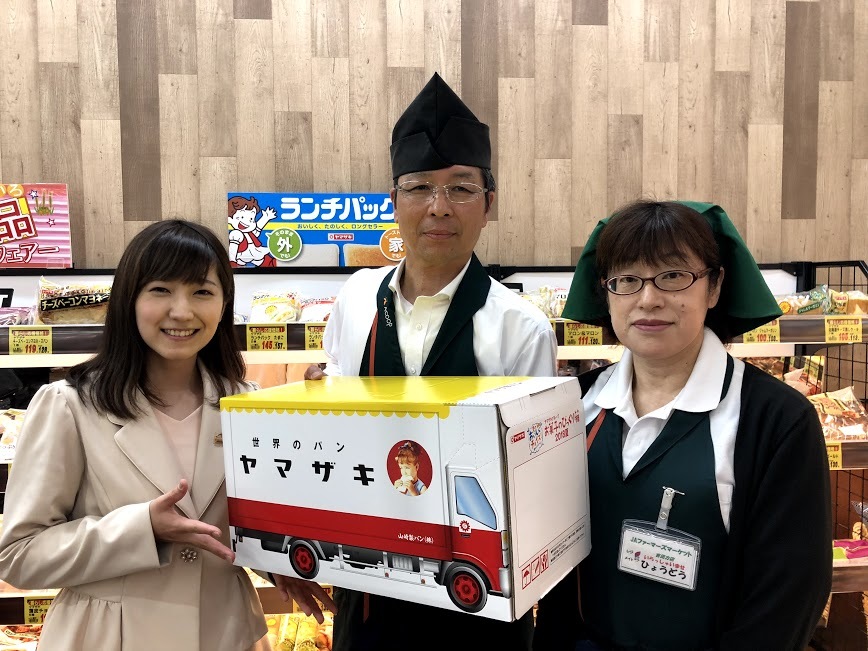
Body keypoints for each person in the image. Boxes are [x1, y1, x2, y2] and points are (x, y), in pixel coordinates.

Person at [273, 72, 558, 651]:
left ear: (490, 204)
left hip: (478, 602)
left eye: (461, 188)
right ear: (394, 201)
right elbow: (331, 430)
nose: (438, 207)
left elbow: (531, 478)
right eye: (419, 187)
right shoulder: (357, 298)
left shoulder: (519, 325)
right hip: (367, 588)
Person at [533, 200, 832, 650]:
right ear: (606, 292)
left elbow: (788, 595)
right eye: (627, 280)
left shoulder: (776, 420)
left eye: (673, 276)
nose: (648, 299)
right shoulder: (573, 405)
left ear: (714, 287)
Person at [0, 220, 272, 650]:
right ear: (129, 300)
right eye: (160, 290)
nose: (181, 311)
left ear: (224, 305)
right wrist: (142, 528)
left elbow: (255, 530)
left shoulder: (250, 404)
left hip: (225, 632)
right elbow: (18, 554)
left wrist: (287, 566)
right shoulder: (71, 404)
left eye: (202, 292)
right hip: (108, 637)